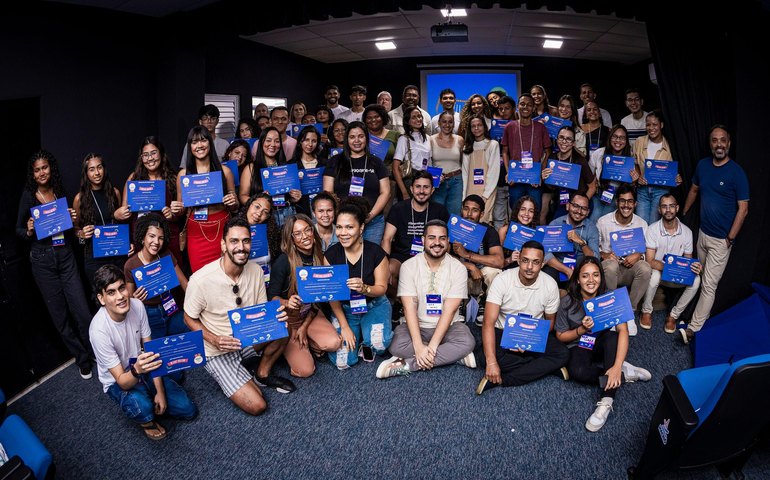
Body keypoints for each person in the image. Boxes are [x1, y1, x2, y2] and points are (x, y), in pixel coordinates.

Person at [184, 216, 293, 415]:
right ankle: (239, 373)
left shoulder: (256, 271)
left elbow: (260, 310)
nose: (241, 247)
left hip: (246, 338)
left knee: (283, 326)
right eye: (234, 241)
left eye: (245, 241)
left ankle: (261, 373)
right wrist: (214, 339)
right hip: (218, 350)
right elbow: (188, 317)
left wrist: (274, 317)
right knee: (258, 406)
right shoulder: (200, 280)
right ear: (223, 245)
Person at [89, 265, 197, 441]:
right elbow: (123, 382)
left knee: (188, 410)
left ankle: (157, 392)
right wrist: (137, 370)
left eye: (122, 288)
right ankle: (146, 421)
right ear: (101, 298)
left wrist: (160, 391)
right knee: (144, 407)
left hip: (143, 365)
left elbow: (150, 350)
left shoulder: (138, 306)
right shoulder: (98, 331)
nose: (120, 297)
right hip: (121, 379)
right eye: (111, 292)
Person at [16, 150, 95, 379]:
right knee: (60, 317)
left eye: (45, 168)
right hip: (42, 261)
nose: (42, 173)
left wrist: (71, 219)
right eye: (37, 169)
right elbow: (18, 231)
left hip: (66, 255)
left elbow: (68, 226)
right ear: (33, 173)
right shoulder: (28, 196)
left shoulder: (58, 190)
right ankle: (82, 359)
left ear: (51, 169)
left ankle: (94, 351)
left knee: (82, 311)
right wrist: (29, 230)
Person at [554, 257, 651, 432]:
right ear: (577, 279)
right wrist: (581, 329)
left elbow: (623, 331)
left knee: (613, 337)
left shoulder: (611, 297)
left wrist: (617, 364)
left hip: (603, 342)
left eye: (595, 275)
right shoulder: (567, 302)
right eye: (585, 276)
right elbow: (560, 336)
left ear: (601, 277)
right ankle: (622, 375)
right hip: (580, 344)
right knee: (578, 372)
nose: (591, 280)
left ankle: (606, 400)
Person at [377, 220, 476, 378]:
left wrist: (431, 346)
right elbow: (409, 308)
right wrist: (418, 346)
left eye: (442, 238)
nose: (437, 243)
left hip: (449, 326)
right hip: (416, 326)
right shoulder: (408, 266)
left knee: (468, 341)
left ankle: (408, 364)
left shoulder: (458, 268)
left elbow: (450, 311)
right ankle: (453, 356)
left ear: (448, 240)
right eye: (431, 238)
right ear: (423, 240)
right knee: (394, 343)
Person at [680, 125, 749, 343]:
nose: (718, 144)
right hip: (702, 234)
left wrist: (730, 237)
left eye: (722, 140)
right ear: (710, 144)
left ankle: (694, 329)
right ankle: (686, 314)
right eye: (714, 140)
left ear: (729, 143)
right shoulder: (702, 165)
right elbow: (693, 190)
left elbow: (743, 208)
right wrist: (683, 213)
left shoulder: (737, 173)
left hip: (721, 240)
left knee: (709, 285)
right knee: (696, 276)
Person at [476, 240, 569, 394]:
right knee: (484, 355)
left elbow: (550, 323)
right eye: (525, 261)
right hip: (504, 331)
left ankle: (505, 380)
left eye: (535, 262)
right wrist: (491, 362)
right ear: (518, 260)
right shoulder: (502, 280)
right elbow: (488, 322)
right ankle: (545, 368)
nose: (530, 267)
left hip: (533, 333)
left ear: (543, 263)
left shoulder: (550, 284)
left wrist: (529, 341)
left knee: (563, 354)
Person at [269, 214, 343, 377]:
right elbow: (271, 298)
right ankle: (286, 346)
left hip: (310, 313)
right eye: (298, 233)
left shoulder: (321, 256)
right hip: (289, 320)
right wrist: (287, 302)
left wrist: (304, 327)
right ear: (291, 238)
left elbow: (318, 302)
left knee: (334, 343)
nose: (305, 237)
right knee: (305, 371)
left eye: (307, 230)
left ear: (313, 230)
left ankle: (309, 340)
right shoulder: (283, 262)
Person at [325, 198, 393, 368]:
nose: (343, 233)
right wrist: (345, 327)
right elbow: (332, 296)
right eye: (339, 227)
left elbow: (382, 288)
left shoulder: (376, 252)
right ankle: (358, 332)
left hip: (374, 304)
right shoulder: (331, 255)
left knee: (379, 345)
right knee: (343, 362)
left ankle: (366, 335)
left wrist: (365, 288)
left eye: (349, 227)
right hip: (346, 310)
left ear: (361, 228)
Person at [178, 126, 239, 273]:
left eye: (203, 140)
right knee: (201, 278)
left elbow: (236, 208)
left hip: (221, 230)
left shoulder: (225, 172)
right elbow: (180, 212)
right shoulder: (183, 175)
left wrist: (233, 202)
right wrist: (176, 210)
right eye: (194, 142)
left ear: (210, 143)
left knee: (226, 275)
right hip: (196, 233)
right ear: (189, 146)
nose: (199, 145)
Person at [641, 194, 702, 332]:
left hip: (675, 276)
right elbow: (650, 261)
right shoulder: (652, 229)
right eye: (664, 206)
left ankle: (673, 315)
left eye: (671, 206)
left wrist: (693, 267)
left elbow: (688, 260)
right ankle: (646, 311)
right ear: (659, 209)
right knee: (654, 275)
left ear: (677, 208)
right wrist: (669, 268)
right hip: (658, 274)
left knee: (696, 279)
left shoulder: (687, 232)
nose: (668, 210)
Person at [322, 121, 391, 244]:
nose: (357, 141)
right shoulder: (335, 161)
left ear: (366, 138)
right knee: (344, 258)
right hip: (343, 222)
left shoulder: (376, 162)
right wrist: (343, 215)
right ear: (346, 139)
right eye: (352, 137)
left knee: (370, 259)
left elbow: (385, 192)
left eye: (361, 136)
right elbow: (328, 192)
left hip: (373, 222)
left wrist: (369, 216)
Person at [381, 171, 449, 295]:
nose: (422, 191)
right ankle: (400, 302)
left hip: (429, 255)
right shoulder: (398, 208)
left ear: (432, 190)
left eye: (426, 187)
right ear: (411, 189)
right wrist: (384, 263)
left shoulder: (440, 210)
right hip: (401, 255)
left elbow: (446, 240)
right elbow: (387, 238)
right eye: (418, 187)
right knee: (388, 270)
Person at [124, 213, 188, 341]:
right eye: (152, 236)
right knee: (156, 353)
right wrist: (136, 300)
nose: (156, 242)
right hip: (149, 315)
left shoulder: (166, 255)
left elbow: (185, 284)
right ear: (143, 238)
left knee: (193, 331)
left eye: (161, 238)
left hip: (171, 309)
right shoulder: (131, 264)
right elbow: (128, 302)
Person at [596, 185, 651, 336]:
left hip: (630, 270)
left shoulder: (642, 224)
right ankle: (613, 310)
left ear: (635, 204)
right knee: (610, 264)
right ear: (616, 202)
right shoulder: (603, 222)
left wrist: (638, 255)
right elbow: (595, 247)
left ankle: (629, 312)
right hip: (610, 270)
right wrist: (604, 255)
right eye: (622, 201)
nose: (626, 205)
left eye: (630, 201)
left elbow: (646, 250)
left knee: (646, 268)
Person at [122, 137, 184, 262]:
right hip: (142, 240)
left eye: (154, 153)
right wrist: (119, 213)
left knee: (171, 277)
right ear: (141, 158)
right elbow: (124, 214)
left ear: (161, 154)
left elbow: (181, 215)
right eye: (145, 155)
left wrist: (173, 215)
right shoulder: (134, 179)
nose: (150, 158)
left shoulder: (172, 178)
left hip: (168, 239)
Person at [73, 153, 130, 286]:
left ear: (104, 169)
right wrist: (81, 234)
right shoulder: (79, 198)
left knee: (121, 292)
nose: (97, 173)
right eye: (92, 169)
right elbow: (75, 229)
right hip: (94, 258)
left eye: (99, 168)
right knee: (101, 296)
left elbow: (120, 223)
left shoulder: (114, 193)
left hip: (117, 254)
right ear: (86, 173)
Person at [453, 195, 504, 319]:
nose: (469, 214)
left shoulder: (489, 231)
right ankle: (456, 306)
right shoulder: (453, 228)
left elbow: (499, 261)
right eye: (466, 209)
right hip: (460, 269)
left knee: (494, 272)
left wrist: (467, 255)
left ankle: (486, 305)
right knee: (451, 268)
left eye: (474, 210)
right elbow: (442, 258)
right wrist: (470, 265)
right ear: (461, 210)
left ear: (481, 214)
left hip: (482, 271)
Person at [239, 126, 299, 227]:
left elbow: (291, 195)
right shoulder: (251, 168)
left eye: (276, 141)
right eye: (268, 140)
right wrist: (258, 200)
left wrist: (294, 197)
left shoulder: (286, 167)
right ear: (261, 142)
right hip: (262, 217)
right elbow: (242, 196)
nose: (272, 145)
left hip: (287, 214)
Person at [501, 93, 551, 212]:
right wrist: (509, 173)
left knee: (534, 212)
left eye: (529, 105)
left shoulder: (540, 128)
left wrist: (540, 173)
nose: (525, 107)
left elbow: (548, 151)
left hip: (534, 179)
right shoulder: (509, 126)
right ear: (518, 106)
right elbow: (504, 152)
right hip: (516, 179)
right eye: (522, 104)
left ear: (533, 108)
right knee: (516, 211)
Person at [541, 192, 600, 290]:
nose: (579, 211)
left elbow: (595, 258)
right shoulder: (555, 224)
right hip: (558, 266)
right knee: (547, 274)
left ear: (588, 212)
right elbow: (546, 254)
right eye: (575, 206)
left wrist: (581, 242)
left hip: (581, 269)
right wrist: (567, 271)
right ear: (568, 206)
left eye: (584, 208)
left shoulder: (592, 228)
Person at [633, 110, 679, 224]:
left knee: (654, 225)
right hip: (642, 190)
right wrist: (638, 177)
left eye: (654, 124)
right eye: (648, 125)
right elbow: (635, 163)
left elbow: (673, 170)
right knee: (641, 224)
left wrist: (677, 178)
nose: (651, 128)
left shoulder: (670, 145)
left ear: (661, 125)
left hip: (661, 191)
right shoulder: (639, 141)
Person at [541, 125, 596, 221]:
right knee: (557, 225)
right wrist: (544, 178)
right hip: (562, 202)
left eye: (569, 139)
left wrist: (580, 204)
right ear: (557, 139)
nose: (564, 141)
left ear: (574, 143)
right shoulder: (552, 158)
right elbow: (552, 187)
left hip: (580, 204)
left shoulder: (580, 161)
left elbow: (592, 187)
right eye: (561, 137)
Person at [588, 125, 639, 222]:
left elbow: (631, 187)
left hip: (617, 197)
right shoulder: (599, 153)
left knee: (606, 223)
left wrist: (634, 181)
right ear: (610, 137)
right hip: (599, 193)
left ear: (626, 141)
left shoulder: (630, 159)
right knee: (593, 220)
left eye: (622, 138)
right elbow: (589, 175)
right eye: (615, 136)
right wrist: (593, 182)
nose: (618, 140)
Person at [461, 115, 500, 223]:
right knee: (468, 221)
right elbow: (465, 173)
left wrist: (485, 195)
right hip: (470, 190)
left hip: (487, 191)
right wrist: (464, 196)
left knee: (484, 221)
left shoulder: (493, 145)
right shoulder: (467, 147)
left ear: (485, 127)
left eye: (479, 125)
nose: (476, 128)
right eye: (473, 126)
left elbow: (494, 172)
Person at [393, 105, 432, 200]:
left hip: (426, 179)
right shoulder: (404, 139)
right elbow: (395, 167)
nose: (418, 119)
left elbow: (430, 162)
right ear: (408, 121)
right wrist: (404, 192)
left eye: (419, 116)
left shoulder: (428, 138)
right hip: (410, 180)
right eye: (413, 117)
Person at [430, 111, 464, 215]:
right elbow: (428, 162)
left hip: (456, 182)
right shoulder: (430, 140)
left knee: (454, 216)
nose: (447, 125)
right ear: (439, 123)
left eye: (450, 122)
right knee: (436, 214)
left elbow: (463, 163)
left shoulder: (460, 140)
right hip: (438, 182)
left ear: (454, 124)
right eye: (444, 122)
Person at [491, 95, 517, 230]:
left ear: (514, 109)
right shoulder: (494, 128)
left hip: (517, 178)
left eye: (507, 108)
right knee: (498, 215)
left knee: (516, 215)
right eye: (500, 109)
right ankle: (499, 247)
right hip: (500, 178)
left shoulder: (520, 127)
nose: (503, 112)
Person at [288, 125, 325, 217]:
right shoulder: (291, 165)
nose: (310, 144)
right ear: (300, 141)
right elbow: (287, 194)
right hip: (300, 212)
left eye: (314, 141)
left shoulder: (324, 164)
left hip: (322, 210)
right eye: (306, 140)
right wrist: (292, 197)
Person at [179, 104, 230, 168]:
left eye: (213, 118)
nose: (209, 121)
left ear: (217, 121)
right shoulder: (191, 145)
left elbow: (230, 167)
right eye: (205, 118)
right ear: (200, 122)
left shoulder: (224, 144)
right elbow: (184, 168)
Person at [498, 195, 539, 270]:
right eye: (523, 209)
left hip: (530, 270)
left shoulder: (537, 233)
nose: (526, 213)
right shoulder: (504, 231)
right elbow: (498, 263)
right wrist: (510, 260)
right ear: (517, 211)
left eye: (531, 211)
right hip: (509, 271)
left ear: (534, 215)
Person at [363, 103, 400, 178]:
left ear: (383, 117)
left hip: (390, 178)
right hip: (366, 177)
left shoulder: (395, 135)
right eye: (369, 118)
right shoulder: (361, 136)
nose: (373, 120)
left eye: (377, 117)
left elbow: (401, 160)